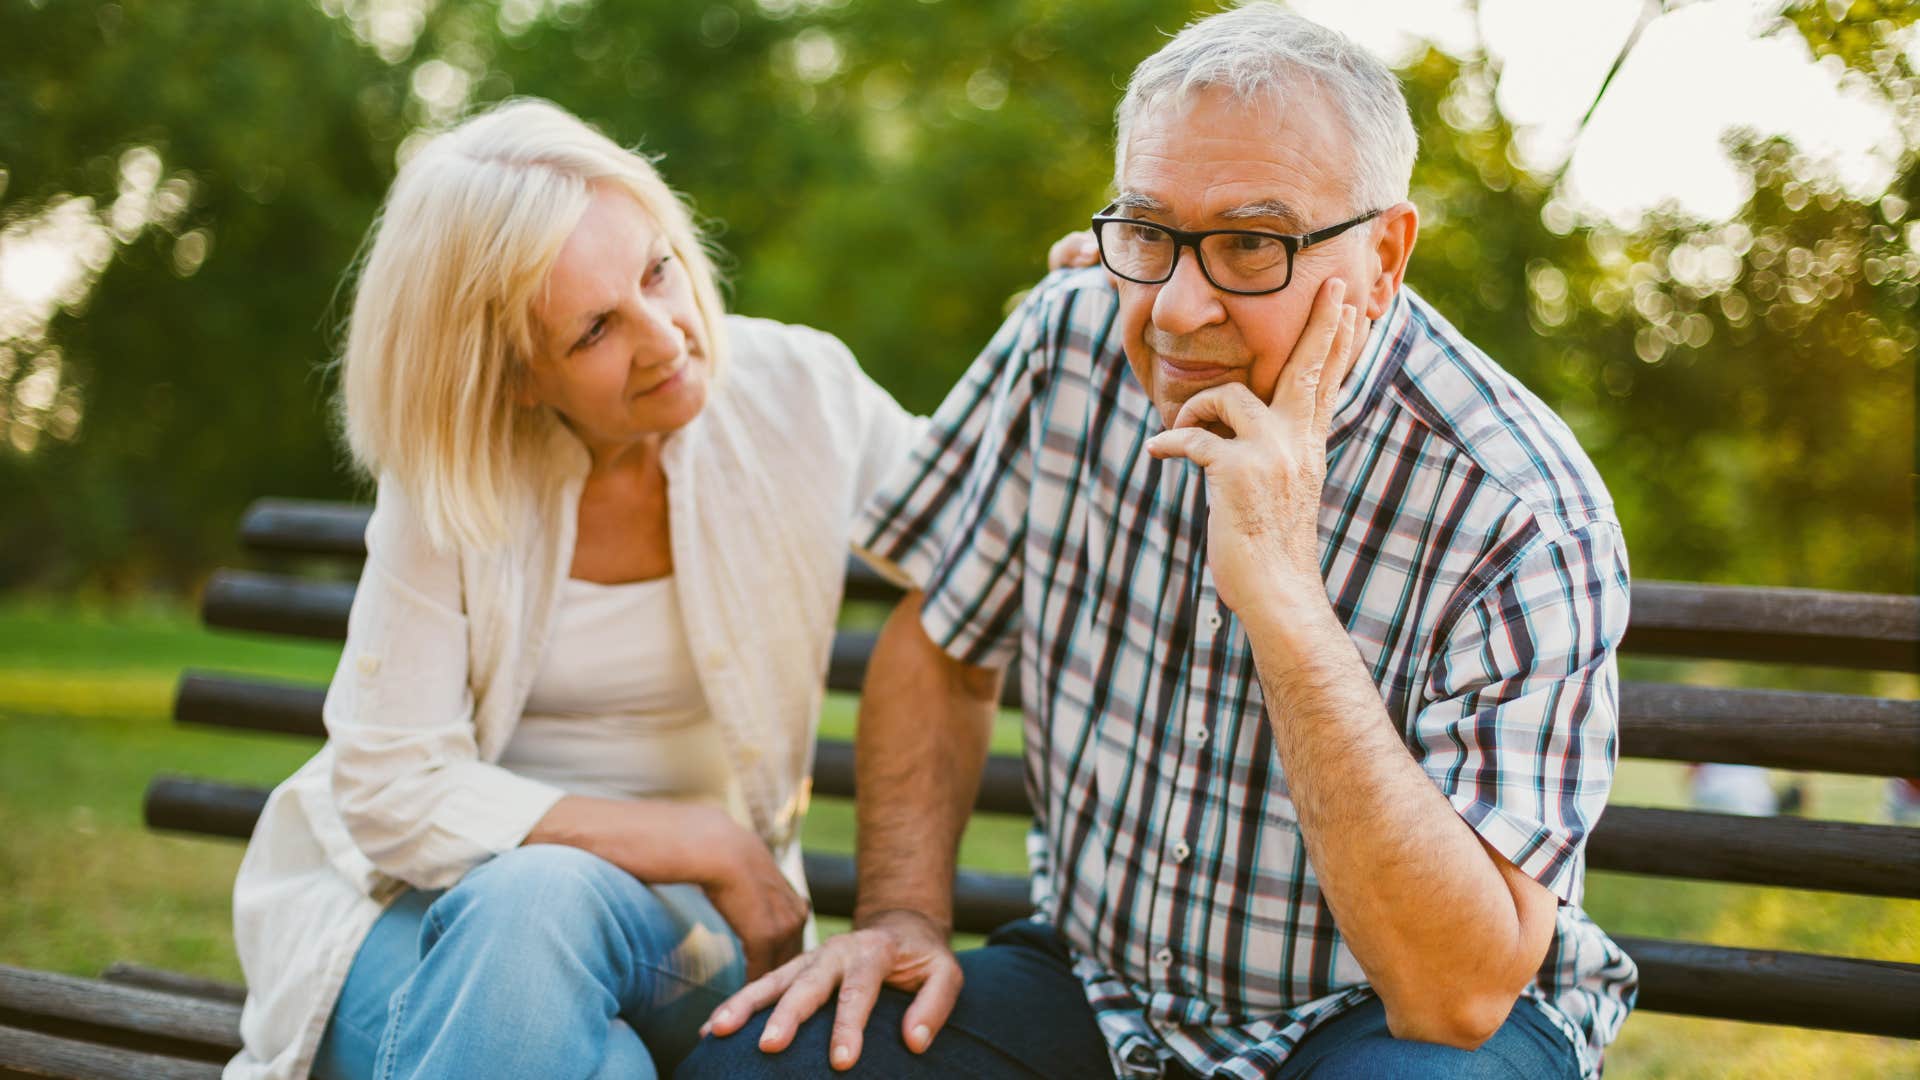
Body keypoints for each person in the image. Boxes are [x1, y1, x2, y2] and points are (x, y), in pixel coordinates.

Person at [685, 5, 1636, 1079]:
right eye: (1147, 232)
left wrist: (1283, 596)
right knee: (756, 1070)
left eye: (1248, 245)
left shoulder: (1518, 512)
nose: (1177, 309)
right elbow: (940, 640)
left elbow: (1456, 995)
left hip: (1385, 1018)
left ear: (1383, 256)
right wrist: (902, 913)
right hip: (1096, 983)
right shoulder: (1071, 337)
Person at [223, 98, 929, 1080]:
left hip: (693, 935)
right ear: (513, 376)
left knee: (540, 905)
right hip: (407, 906)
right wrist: (697, 837)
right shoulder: (453, 475)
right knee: (594, 1041)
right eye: (596, 327)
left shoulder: (797, 391)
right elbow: (390, 787)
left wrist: (1080, 327)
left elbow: (989, 529)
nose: (667, 336)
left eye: (656, 270)